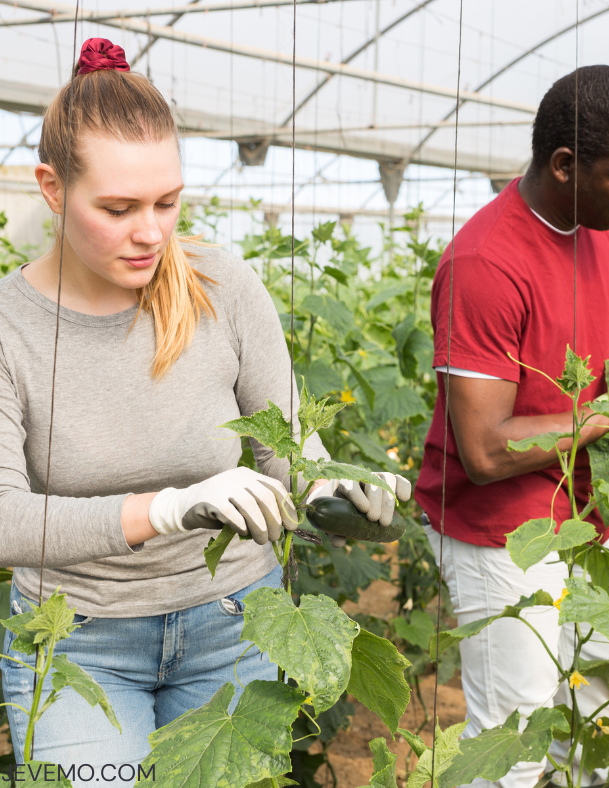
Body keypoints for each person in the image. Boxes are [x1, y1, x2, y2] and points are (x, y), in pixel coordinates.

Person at [0, 39, 408, 781]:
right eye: (118, 208)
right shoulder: (9, 326)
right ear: (52, 190)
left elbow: (290, 452)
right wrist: (170, 508)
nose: (152, 232)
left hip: (231, 622)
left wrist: (334, 490)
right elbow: (4, 520)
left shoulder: (222, 285)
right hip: (79, 641)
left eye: (168, 201)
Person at [413, 66, 609, 788]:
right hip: (500, 528)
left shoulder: (603, 235)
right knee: (515, 740)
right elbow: (482, 448)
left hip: (586, 510)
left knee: (599, 716)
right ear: (565, 164)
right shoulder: (485, 262)